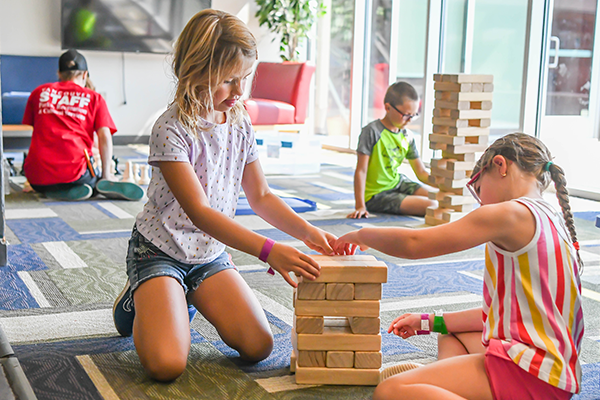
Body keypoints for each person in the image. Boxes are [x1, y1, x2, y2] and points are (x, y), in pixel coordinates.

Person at [112, 9, 343, 382]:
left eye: (245, 79)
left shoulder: (239, 120)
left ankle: (176, 296)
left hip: (208, 255)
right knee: (167, 365)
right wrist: (269, 250)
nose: (239, 92)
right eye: (228, 81)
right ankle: (139, 296)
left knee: (258, 347)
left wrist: (307, 232)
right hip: (159, 250)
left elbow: (262, 196)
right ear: (196, 72)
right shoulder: (171, 128)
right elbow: (201, 212)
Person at [334, 133, 584, 400]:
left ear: (500, 165)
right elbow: (498, 313)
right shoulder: (552, 217)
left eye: (478, 189)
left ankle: (429, 387)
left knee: (390, 392)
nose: (481, 201)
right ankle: (443, 386)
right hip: (555, 372)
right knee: (447, 332)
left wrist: (362, 235)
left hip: (530, 373)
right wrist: (428, 322)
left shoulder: (509, 214)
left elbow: (415, 243)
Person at [22, 49, 143, 201]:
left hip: (36, 176)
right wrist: (106, 174)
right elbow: (104, 136)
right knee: (93, 178)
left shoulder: (39, 92)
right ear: (85, 75)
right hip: (74, 174)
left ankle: (53, 192)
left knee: (57, 180)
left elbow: (36, 129)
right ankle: (97, 184)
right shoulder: (94, 98)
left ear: (59, 73)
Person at [348, 81, 436, 219]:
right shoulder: (372, 132)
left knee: (441, 199)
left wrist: (446, 184)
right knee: (432, 206)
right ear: (388, 108)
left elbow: (421, 172)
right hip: (377, 195)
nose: (409, 120)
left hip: (398, 184)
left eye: (413, 115)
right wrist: (360, 205)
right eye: (406, 115)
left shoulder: (407, 136)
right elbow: (361, 170)